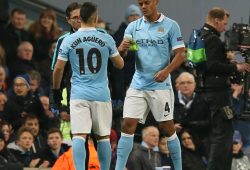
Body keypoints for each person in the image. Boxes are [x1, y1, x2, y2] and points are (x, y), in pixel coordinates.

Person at [52, 2, 124, 170]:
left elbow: (58, 69)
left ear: (80, 18)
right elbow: (119, 65)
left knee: (78, 136)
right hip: (101, 95)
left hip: (79, 95)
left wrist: (56, 90)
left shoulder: (69, 39)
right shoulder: (106, 37)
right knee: (103, 137)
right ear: (96, 17)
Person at [115, 0, 186, 169]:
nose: (143, 6)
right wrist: (121, 49)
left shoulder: (170, 25)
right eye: (141, 3)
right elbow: (121, 57)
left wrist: (166, 71)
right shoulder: (133, 27)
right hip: (138, 84)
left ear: (156, 2)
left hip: (160, 86)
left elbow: (181, 54)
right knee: (127, 124)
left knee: (167, 128)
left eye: (147, 2)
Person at [196, 7, 250, 170]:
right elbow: (212, 66)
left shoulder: (201, 34)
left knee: (219, 135)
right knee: (223, 136)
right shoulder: (212, 39)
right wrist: (236, 68)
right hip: (217, 94)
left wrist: (226, 60)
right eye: (224, 24)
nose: (225, 28)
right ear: (216, 20)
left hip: (207, 91)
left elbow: (207, 64)